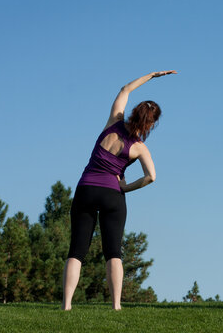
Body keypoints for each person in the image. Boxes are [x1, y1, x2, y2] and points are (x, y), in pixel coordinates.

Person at [61, 70, 177, 310]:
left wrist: (152, 76)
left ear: (134, 112)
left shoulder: (113, 122)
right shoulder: (139, 147)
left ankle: (67, 305)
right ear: (151, 124)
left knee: (77, 250)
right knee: (113, 251)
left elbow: (125, 89)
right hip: (112, 194)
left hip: (85, 188)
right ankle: (115, 305)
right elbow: (151, 177)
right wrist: (126, 187)